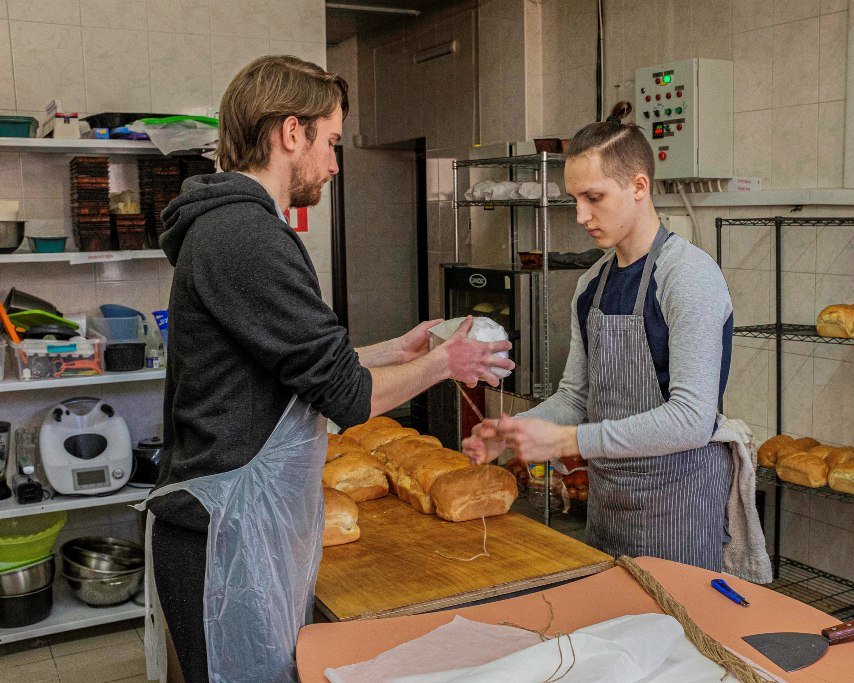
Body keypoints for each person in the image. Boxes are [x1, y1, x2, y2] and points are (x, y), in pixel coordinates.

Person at [146, 55, 513, 683]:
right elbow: (347, 397)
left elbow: (292, 367)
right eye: (332, 141)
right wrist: (444, 362)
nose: (335, 163)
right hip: (224, 538)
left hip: (227, 529)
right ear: (292, 132)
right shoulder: (246, 236)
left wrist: (398, 351)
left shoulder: (228, 227)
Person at [464, 100, 734, 570]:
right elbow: (576, 395)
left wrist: (568, 441)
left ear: (638, 186)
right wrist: (514, 433)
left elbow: (691, 419)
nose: (580, 215)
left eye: (594, 197)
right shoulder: (593, 283)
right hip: (609, 506)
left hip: (678, 505)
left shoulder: (688, 276)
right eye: (575, 199)